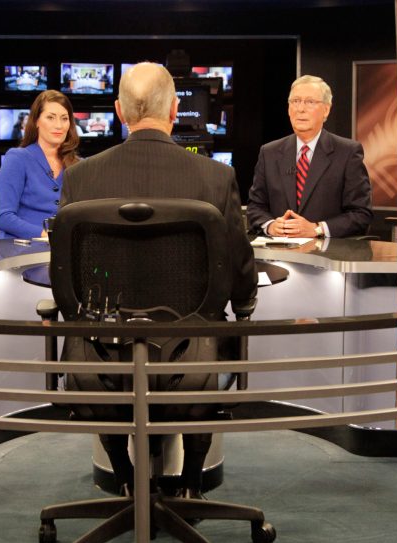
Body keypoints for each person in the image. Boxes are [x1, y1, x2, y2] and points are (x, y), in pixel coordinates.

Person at [61, 61, 257, 498]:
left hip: (102, 360)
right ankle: (190, 484)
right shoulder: (216, 177)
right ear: (173, 111)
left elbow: (71, 279)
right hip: (192, 363)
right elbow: (241, 270)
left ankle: (125, 478)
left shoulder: (79, 178)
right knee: (209, 337)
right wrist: (244, 307)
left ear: (119, 111)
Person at [246, 75, 373, 238]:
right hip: (279, 249)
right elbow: (255, 207)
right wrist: (270, 225)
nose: (301, 109)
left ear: (326, 110)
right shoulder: (269, 152)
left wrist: (317, 229)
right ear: (288, 108)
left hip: (327, 251)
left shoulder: (348, 152)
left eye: (310, 102)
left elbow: (361, 214)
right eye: (295, 101)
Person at [0, 90, 80, 239]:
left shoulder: (79, 166)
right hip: (21, 246)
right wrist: (45, 235)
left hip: (63, 246)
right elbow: (4, 217)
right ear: (36, 121)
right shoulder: (17, 158)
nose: (59, 125)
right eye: (50, 118)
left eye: (64, 118)